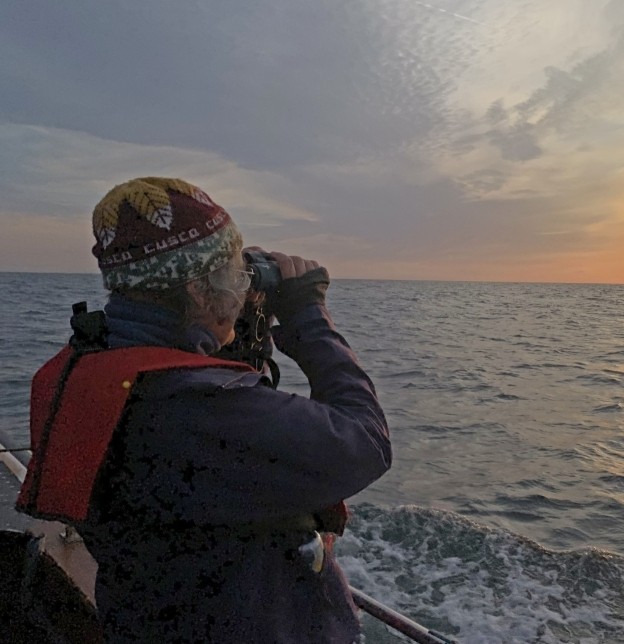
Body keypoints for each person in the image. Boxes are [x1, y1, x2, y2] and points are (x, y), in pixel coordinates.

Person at [16, 177, 391, 643]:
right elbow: (366, 443)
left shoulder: (95, 365)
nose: (244, 287)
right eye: (235, 275)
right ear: (197, 290)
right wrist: (308, 317)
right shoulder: (195, 407)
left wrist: (228, 331)